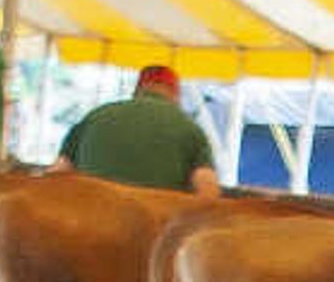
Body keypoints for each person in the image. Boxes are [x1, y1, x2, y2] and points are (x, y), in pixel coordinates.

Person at [55, 62, 221, 196]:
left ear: (137, 89)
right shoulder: (190, 129)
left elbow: (58, 173)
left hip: (88, 223)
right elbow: (207, 187)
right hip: (153, 232)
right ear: (175, 93)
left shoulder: (94, 117)